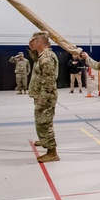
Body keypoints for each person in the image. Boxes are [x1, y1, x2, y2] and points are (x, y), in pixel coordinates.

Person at [28, 32, 60, 162]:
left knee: (43, 123)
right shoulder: (42, 56)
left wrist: (42, 100)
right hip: (41, 94)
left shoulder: (46, 59)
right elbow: (35, 58)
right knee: (43, 121)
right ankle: (44, 140)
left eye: (33, 40)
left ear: (40, 41)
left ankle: (52, 152)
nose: (30, 43)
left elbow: (48, 82)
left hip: (45, 96)